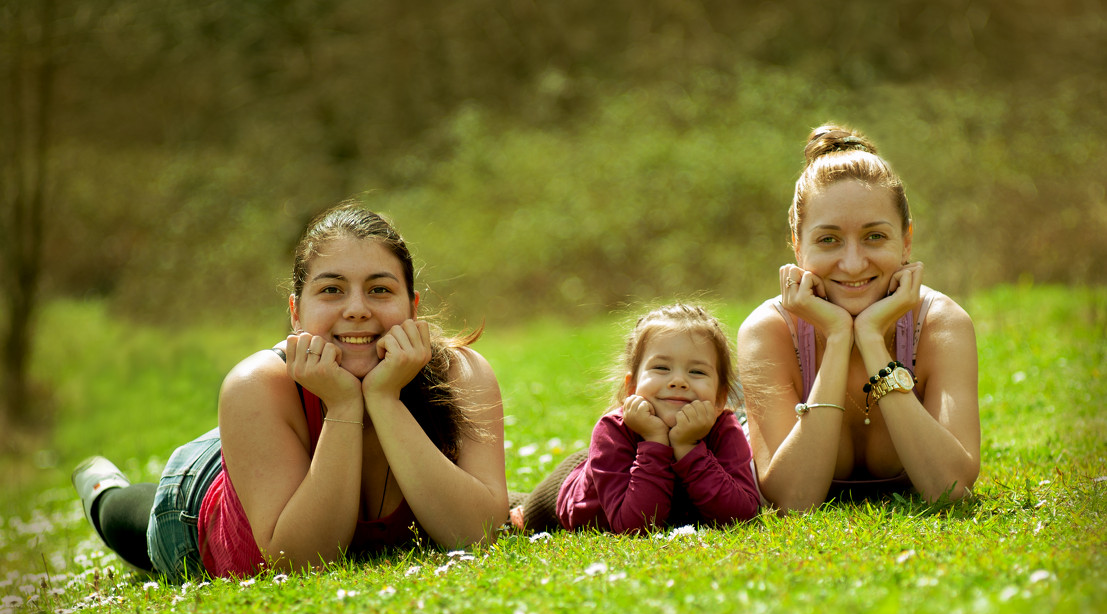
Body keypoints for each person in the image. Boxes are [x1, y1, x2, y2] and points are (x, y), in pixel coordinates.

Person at [72, 201, 509, 579]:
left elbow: (479, 534)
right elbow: (299, 562)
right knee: (127, 517)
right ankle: (102, 491)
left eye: (379, 289)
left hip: (277, 440)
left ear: (412, 307)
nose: (357, 309)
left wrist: (383, 400)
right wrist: (341, 405)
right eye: (331, 290)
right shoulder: (254, 384)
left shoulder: (460, 375)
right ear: (296, 313)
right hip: (202, 494)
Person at [735, 123, 980, 511]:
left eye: (874, 236)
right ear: (798, 246)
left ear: (907, 240)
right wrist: (836, 338)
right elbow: (793, 500)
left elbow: (948, 489)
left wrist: (869, 338)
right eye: (828, 239)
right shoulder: (768, 332)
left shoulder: (940, 324)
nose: (852, 263)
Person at [511, 303, 760, 535]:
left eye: (696, 371)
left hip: (606, 465)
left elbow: (740, 516)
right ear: (632, 387)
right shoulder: (613, 430)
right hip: (564, 495)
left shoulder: (724, 429)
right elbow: (634, 526)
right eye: (661, 368)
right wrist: (655, 443)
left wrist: (688, 448)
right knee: (516, 516)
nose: (678, 381)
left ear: (719, 398)